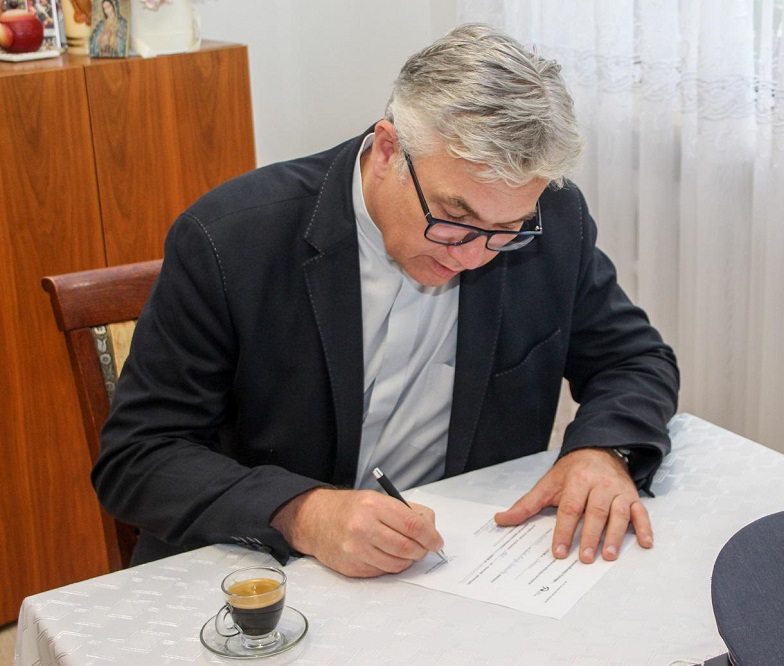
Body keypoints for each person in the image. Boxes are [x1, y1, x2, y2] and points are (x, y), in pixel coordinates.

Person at [93, 23, 679, 578]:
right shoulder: (231, 240)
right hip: (260, 571)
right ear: (386, 150)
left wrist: (603, 451)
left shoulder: (554, 223)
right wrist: (301, 512)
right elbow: (138, 456)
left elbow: (635, 360)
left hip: (456, 566)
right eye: (453, 216)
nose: (473, 256)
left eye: (506, 231)